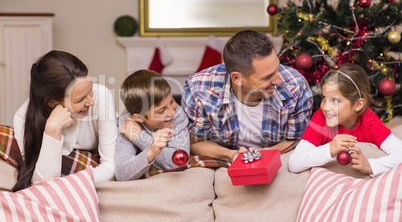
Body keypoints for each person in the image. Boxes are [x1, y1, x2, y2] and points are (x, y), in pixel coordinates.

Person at [182, 30, 313, 163]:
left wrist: (268, 153)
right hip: (222, 160)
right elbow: (196, 142)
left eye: (277, 69)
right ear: (237, 78)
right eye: (267, 77)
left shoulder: (296, 86)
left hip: (278, 157)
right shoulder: (198, 90)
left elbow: (297, 139)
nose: (279, 80)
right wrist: (231, 155)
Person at [12, 50, 117, 191]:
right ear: (52, 102)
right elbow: (41, 183)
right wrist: (52, 129)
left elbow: (110, 165)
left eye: (90, 90)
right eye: (80, 99)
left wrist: (68, 183)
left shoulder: (101, 96)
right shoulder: (22, 118)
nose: (91, 102)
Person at [288, 63, 402, 176]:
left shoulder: (369, 120)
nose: (325, 107)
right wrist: (330, 149)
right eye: (324, 98)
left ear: (358, 105)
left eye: (335, 101)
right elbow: (294, 163)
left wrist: (370, 166)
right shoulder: (321, 118)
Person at [115, 69, 190, 181]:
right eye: (161, 111)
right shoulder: (128, 126)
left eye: (172, 101)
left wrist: (140, 138)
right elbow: (122, 174)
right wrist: (151, 152)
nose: (172, 112)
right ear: (139, 117)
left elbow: (178, 162)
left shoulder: (178, 116)